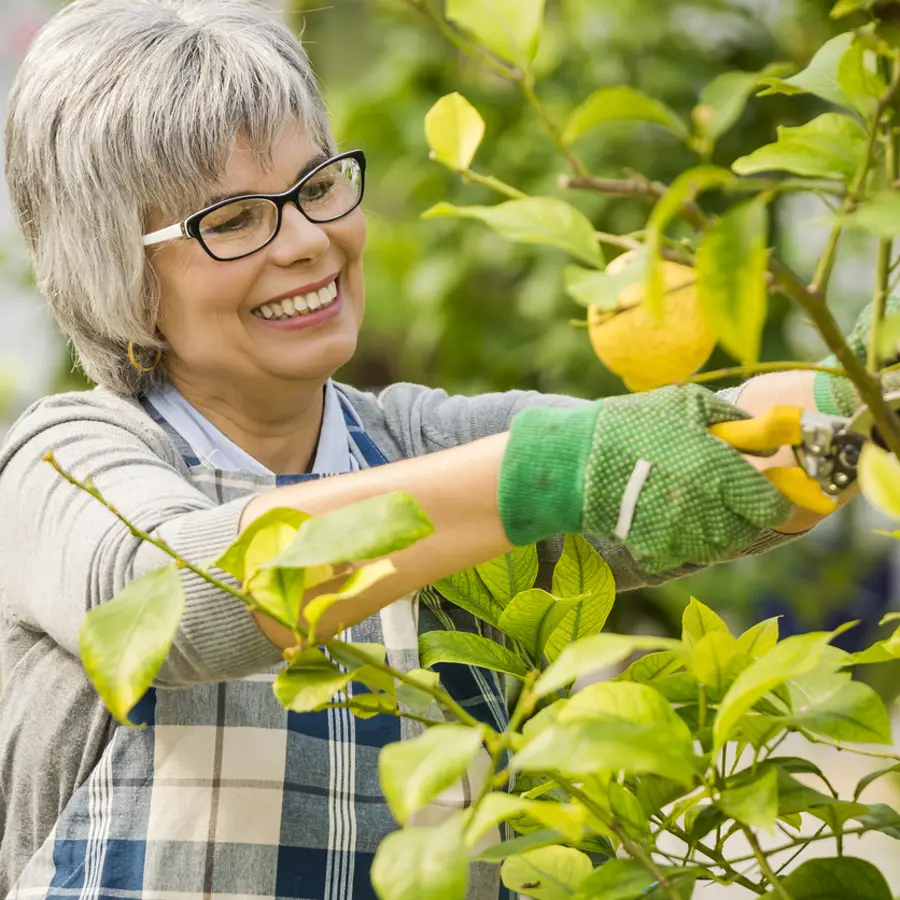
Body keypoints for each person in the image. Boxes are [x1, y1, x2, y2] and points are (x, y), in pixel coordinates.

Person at [0, 1, 874, 898]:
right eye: (230, 222)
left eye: (317, 188)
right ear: (115, 264)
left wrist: (864, 397)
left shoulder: (415, 444)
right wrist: (549, 471)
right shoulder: (68, 463)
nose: (308, 242)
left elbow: (710, 444)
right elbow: (173, 603)